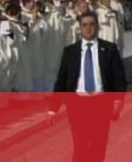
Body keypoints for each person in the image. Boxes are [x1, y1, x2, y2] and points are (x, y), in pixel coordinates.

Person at [51, 10, 127, 162]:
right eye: (84, 25)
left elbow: (119, 78)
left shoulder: (109, 49)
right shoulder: (70, 52)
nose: (88, 28)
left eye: (92, 24)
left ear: (97, 26)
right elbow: (62, 80)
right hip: (78, 105)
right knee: (80, 148)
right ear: (80, 27)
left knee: (98, 147)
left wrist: (118, 100)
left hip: (101, 104)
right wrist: (53, 108)